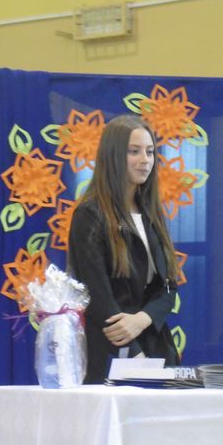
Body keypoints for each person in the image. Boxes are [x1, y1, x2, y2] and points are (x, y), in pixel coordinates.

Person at [68, 114, 179, 383]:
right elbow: (97, 295)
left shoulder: (151, 213)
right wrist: (133, 354)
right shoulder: (90, 214)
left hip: (156, 344)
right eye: (134, 151)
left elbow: (168, 288)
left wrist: (142, 319)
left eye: (150, 152)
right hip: (113, 351)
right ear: (113, 155)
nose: (145, 160)